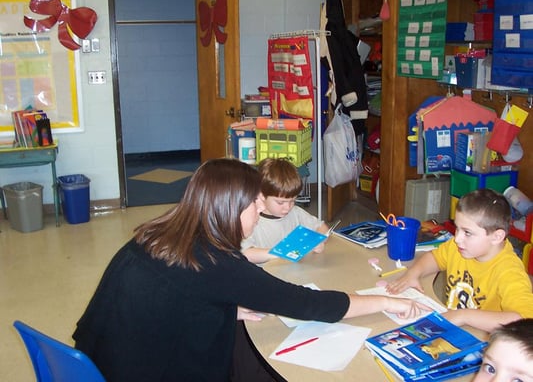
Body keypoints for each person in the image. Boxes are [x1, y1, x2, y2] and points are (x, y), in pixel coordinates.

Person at [73, 158, 429, 382]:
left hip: (97, 360)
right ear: (229, 209)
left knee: (242, 330)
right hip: (144, 372)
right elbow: (308, 304)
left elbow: (170, 293)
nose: (259, 215)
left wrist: (221, 307)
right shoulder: (219, 264)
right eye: (255, 208)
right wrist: (384, 301)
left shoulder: (160, 233)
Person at [387, 188, 533, 333]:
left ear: (496, 237)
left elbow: (524, 320)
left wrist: (464, 316)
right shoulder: (459, 247)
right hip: (453, 326)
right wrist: (414, 273)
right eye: (457, 228)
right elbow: (435, 257)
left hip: (484, 339)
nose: (457, 238)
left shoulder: (509, 271)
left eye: (467, 232)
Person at [241, 157, 330, 264]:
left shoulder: (295, 213)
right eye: (280, 202)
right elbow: (246, 254)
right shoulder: (252, 220)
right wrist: (281, 253)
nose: (287, 207)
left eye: (292, 200)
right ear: (261, 195)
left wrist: (316, 241)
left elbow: (322, 228)